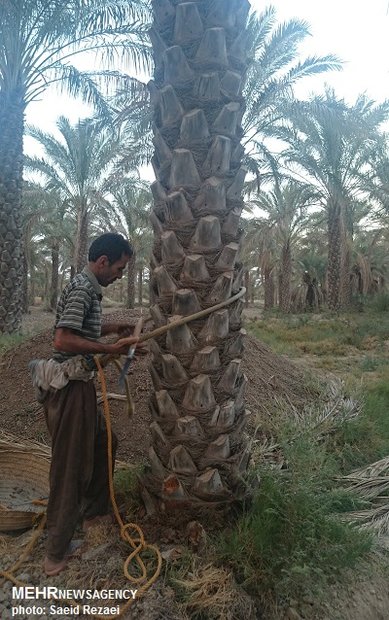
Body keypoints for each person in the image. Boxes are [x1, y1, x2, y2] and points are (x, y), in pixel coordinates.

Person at [31, 233, 141, 577]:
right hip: (69, 390)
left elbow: (81, 327)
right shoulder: (83, 289)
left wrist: (112, 328)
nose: (121, 275)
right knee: (69, 466)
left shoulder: (87, 288)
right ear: (103, 262)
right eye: (121, 268)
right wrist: (111, 349)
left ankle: (93, 513)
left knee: (106, 442)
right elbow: (62, 338)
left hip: (78, 386)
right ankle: (55, 553)